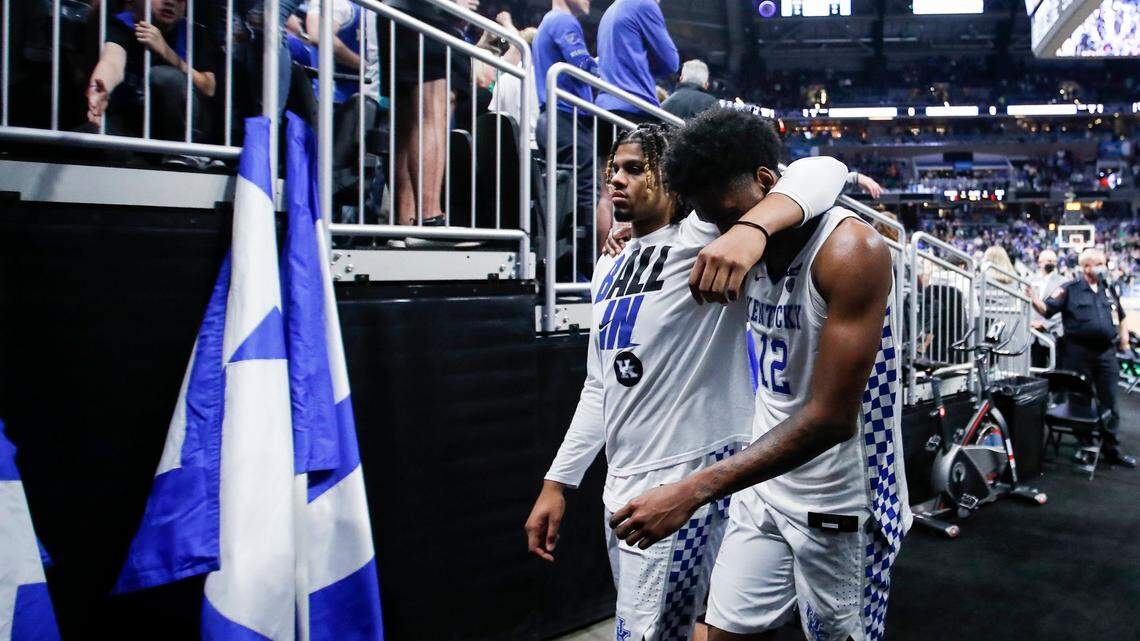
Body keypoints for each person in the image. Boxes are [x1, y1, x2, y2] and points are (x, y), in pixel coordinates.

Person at [525, 123, 850, 641]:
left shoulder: (707, 237)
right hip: (623, 485)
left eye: (635, 169)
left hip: (690, 477)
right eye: (613, 170)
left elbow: (825, 170)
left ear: (672, 179)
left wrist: (751, 231)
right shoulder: (607, 266)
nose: (617, 181)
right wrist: (558, 482)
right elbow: (598, 385)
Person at [608, 109, 910, 641]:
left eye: (729, 217)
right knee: (719, 632)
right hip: (765, 490)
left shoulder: (851, 250)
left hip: (842, 499)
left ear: (768, 184)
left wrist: (691, 491)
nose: (719, 235)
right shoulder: (728, 226)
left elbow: (830, 421)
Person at [1029, 248, 1135, 468]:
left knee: (1110, 403)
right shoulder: (1069, 289)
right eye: (1099, 263)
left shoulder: (1108, 289)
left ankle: (1111, 449)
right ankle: (1085, 447)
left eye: (1104, 263)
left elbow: (1121, 316)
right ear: (1086, 267)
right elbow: (1047, 309)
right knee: (1079, 403)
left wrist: (1123, 339)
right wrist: (1032, 298)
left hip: (1106, 355)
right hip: (1078, 355)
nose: (1103, 267)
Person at [380, 0, 479, 226]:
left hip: (403, 16)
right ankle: (429, 218)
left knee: (408, 122)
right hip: (425, 18)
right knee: (432, 113)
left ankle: (406, 222)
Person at [85, 0, 220, 163]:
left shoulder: (194, 32)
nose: (170, 2)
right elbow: (112, 61)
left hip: (182, 130)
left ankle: (186, 153)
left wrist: (165, 51)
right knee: (86, 136)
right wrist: (100, 86)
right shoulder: (123, 24)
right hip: (136, 126)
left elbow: (208, 86)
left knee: (164, 76)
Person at [533, 0, 600, 241]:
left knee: (567, 195)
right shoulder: (563, 20)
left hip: (554, 118)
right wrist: (611, 67)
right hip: (566, 119)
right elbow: (583, 66)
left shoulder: (549, 22)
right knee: (587, 194)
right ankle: (585, 268)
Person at [595, 0, 678, 121]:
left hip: (605, 108)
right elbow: (671, 63)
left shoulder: (610, 10)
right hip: (635, 107)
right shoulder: (644, 4)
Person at [1030, 249, 1065, 368]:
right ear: (1040, 262)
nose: (1051, 263)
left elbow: (1062, 309)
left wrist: (1045, 324)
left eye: (1053, 261)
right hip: (1032, 335)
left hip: (1052, 333)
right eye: (1048, 260)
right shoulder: (1031, 280)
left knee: (1054, 370)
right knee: (1035, 369)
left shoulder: (1063, 282)